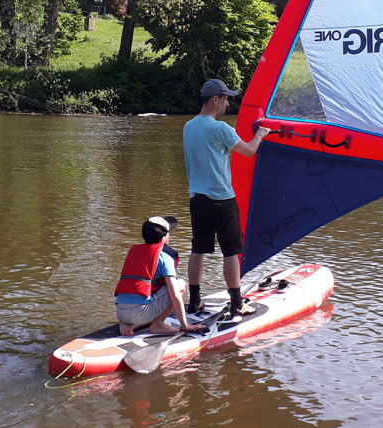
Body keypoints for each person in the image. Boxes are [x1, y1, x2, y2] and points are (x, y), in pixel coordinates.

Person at [182, 78, 269, 317]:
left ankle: (195, 301)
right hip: (222, 198)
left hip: (197, 198)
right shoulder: (221, 129)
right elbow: (249, 151)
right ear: (214, 99)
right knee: (231, 251)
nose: (227, 104)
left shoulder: (188, 127)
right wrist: (260, 134)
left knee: (198, 249)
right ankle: (237, 303)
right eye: (225, 99)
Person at [115, 216, 205, 338]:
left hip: (120, 312)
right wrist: (185, 325)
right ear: (163, 238)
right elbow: (175, 294)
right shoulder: (165, 257)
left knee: (141, 297)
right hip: (139, 313)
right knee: (182, 285)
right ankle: (157, 324)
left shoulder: (134, 252)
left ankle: (127, 324)